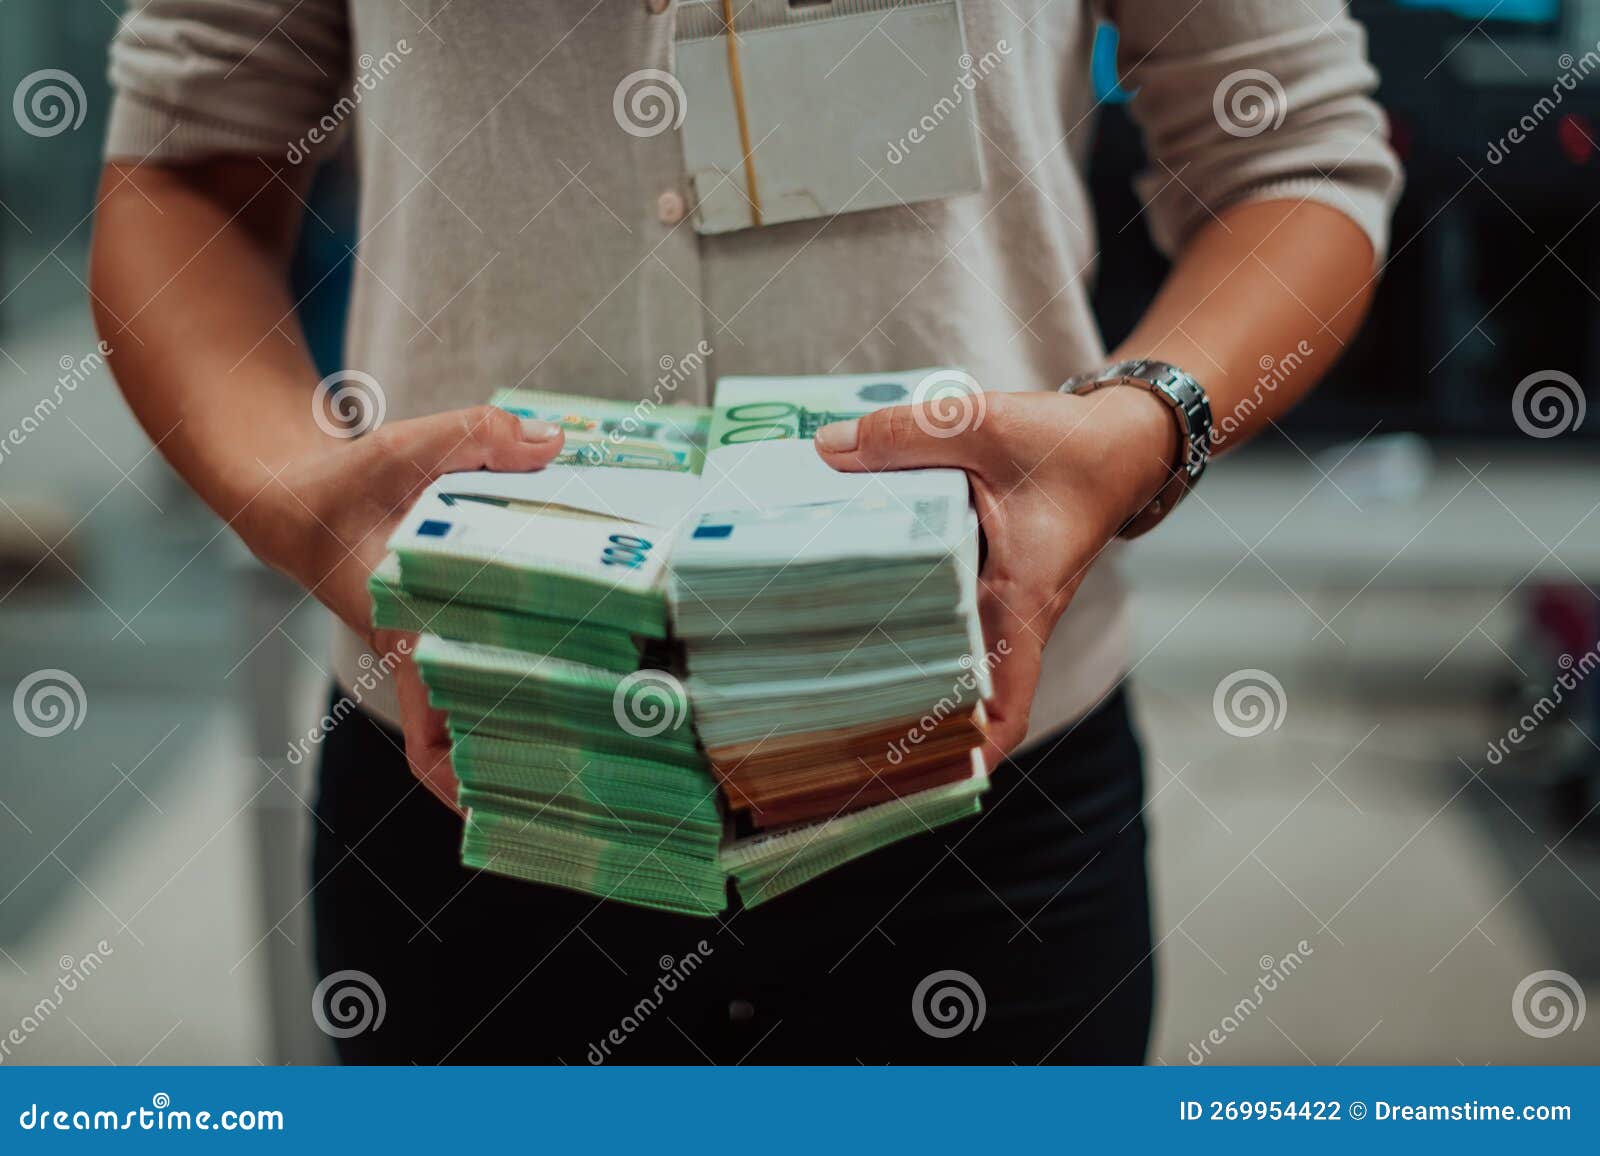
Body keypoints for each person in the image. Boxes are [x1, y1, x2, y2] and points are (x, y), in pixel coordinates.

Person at [89, 1, 1401, 1063]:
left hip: (979, 783)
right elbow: (186, 163)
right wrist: (294, 496)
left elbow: (1294, 156)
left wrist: (1144, 425)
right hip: (476, 758)